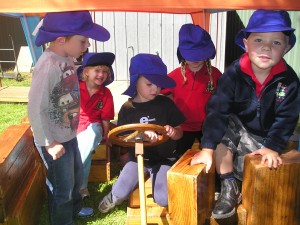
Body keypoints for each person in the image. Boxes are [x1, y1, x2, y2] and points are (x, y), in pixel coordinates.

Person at [191, 9, 299, 219]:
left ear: (287, 47)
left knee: (264, 181)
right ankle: (228, 184)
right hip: (236, 133)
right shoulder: (233, 74)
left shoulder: (289, 81)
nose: (267, 47)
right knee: (225, 120)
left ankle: (242, 184)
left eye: (276, 42)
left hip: (264, 139)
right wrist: (207, 148)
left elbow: (287, 117)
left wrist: (273, 146)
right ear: (246, 43)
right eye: (259, 39)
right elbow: (217, 110)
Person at [28, 11, 110, 225]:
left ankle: (74, 208)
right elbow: (36, 108)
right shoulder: (48, 66)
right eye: (83, 41)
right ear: (61, 39)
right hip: (53, 139)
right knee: (62, 186)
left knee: (74, 177)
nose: (87, 46)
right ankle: (62, 221)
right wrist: (49, 143)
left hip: (68, 134)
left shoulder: (66, 58)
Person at [98, 53, 185, 213]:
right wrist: (141, 136)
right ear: (135, 81)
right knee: (121, 190)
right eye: (149, 83)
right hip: (138, 158)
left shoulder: (165, 104)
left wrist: (174, 132)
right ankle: (113, 197)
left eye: (158, 85)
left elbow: (180, 131)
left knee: (162, 198)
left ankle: (177, 203)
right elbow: (122, 137)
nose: (155, 89)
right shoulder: (127, 109)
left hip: (164, 159)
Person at [161, 23, 222, 156]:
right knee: (178, 161)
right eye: (191, 54)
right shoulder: (173, 77)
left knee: (215, 161)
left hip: (208, 128)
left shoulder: (216, 75)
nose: (195, 60)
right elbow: (161, 97)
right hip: (182, 128)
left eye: (199, 54)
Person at [76, 52, 115, 199]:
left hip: (94, 125)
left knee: (91, 135)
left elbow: (105, 118)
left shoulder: (106, 93)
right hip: (74, 127)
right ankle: (82, 187)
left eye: (105, 71)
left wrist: (106, 135)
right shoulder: (75, 88)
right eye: (97, 70)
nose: (101, 74)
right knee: (83, 153)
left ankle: (77, 185)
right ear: (86, 72)